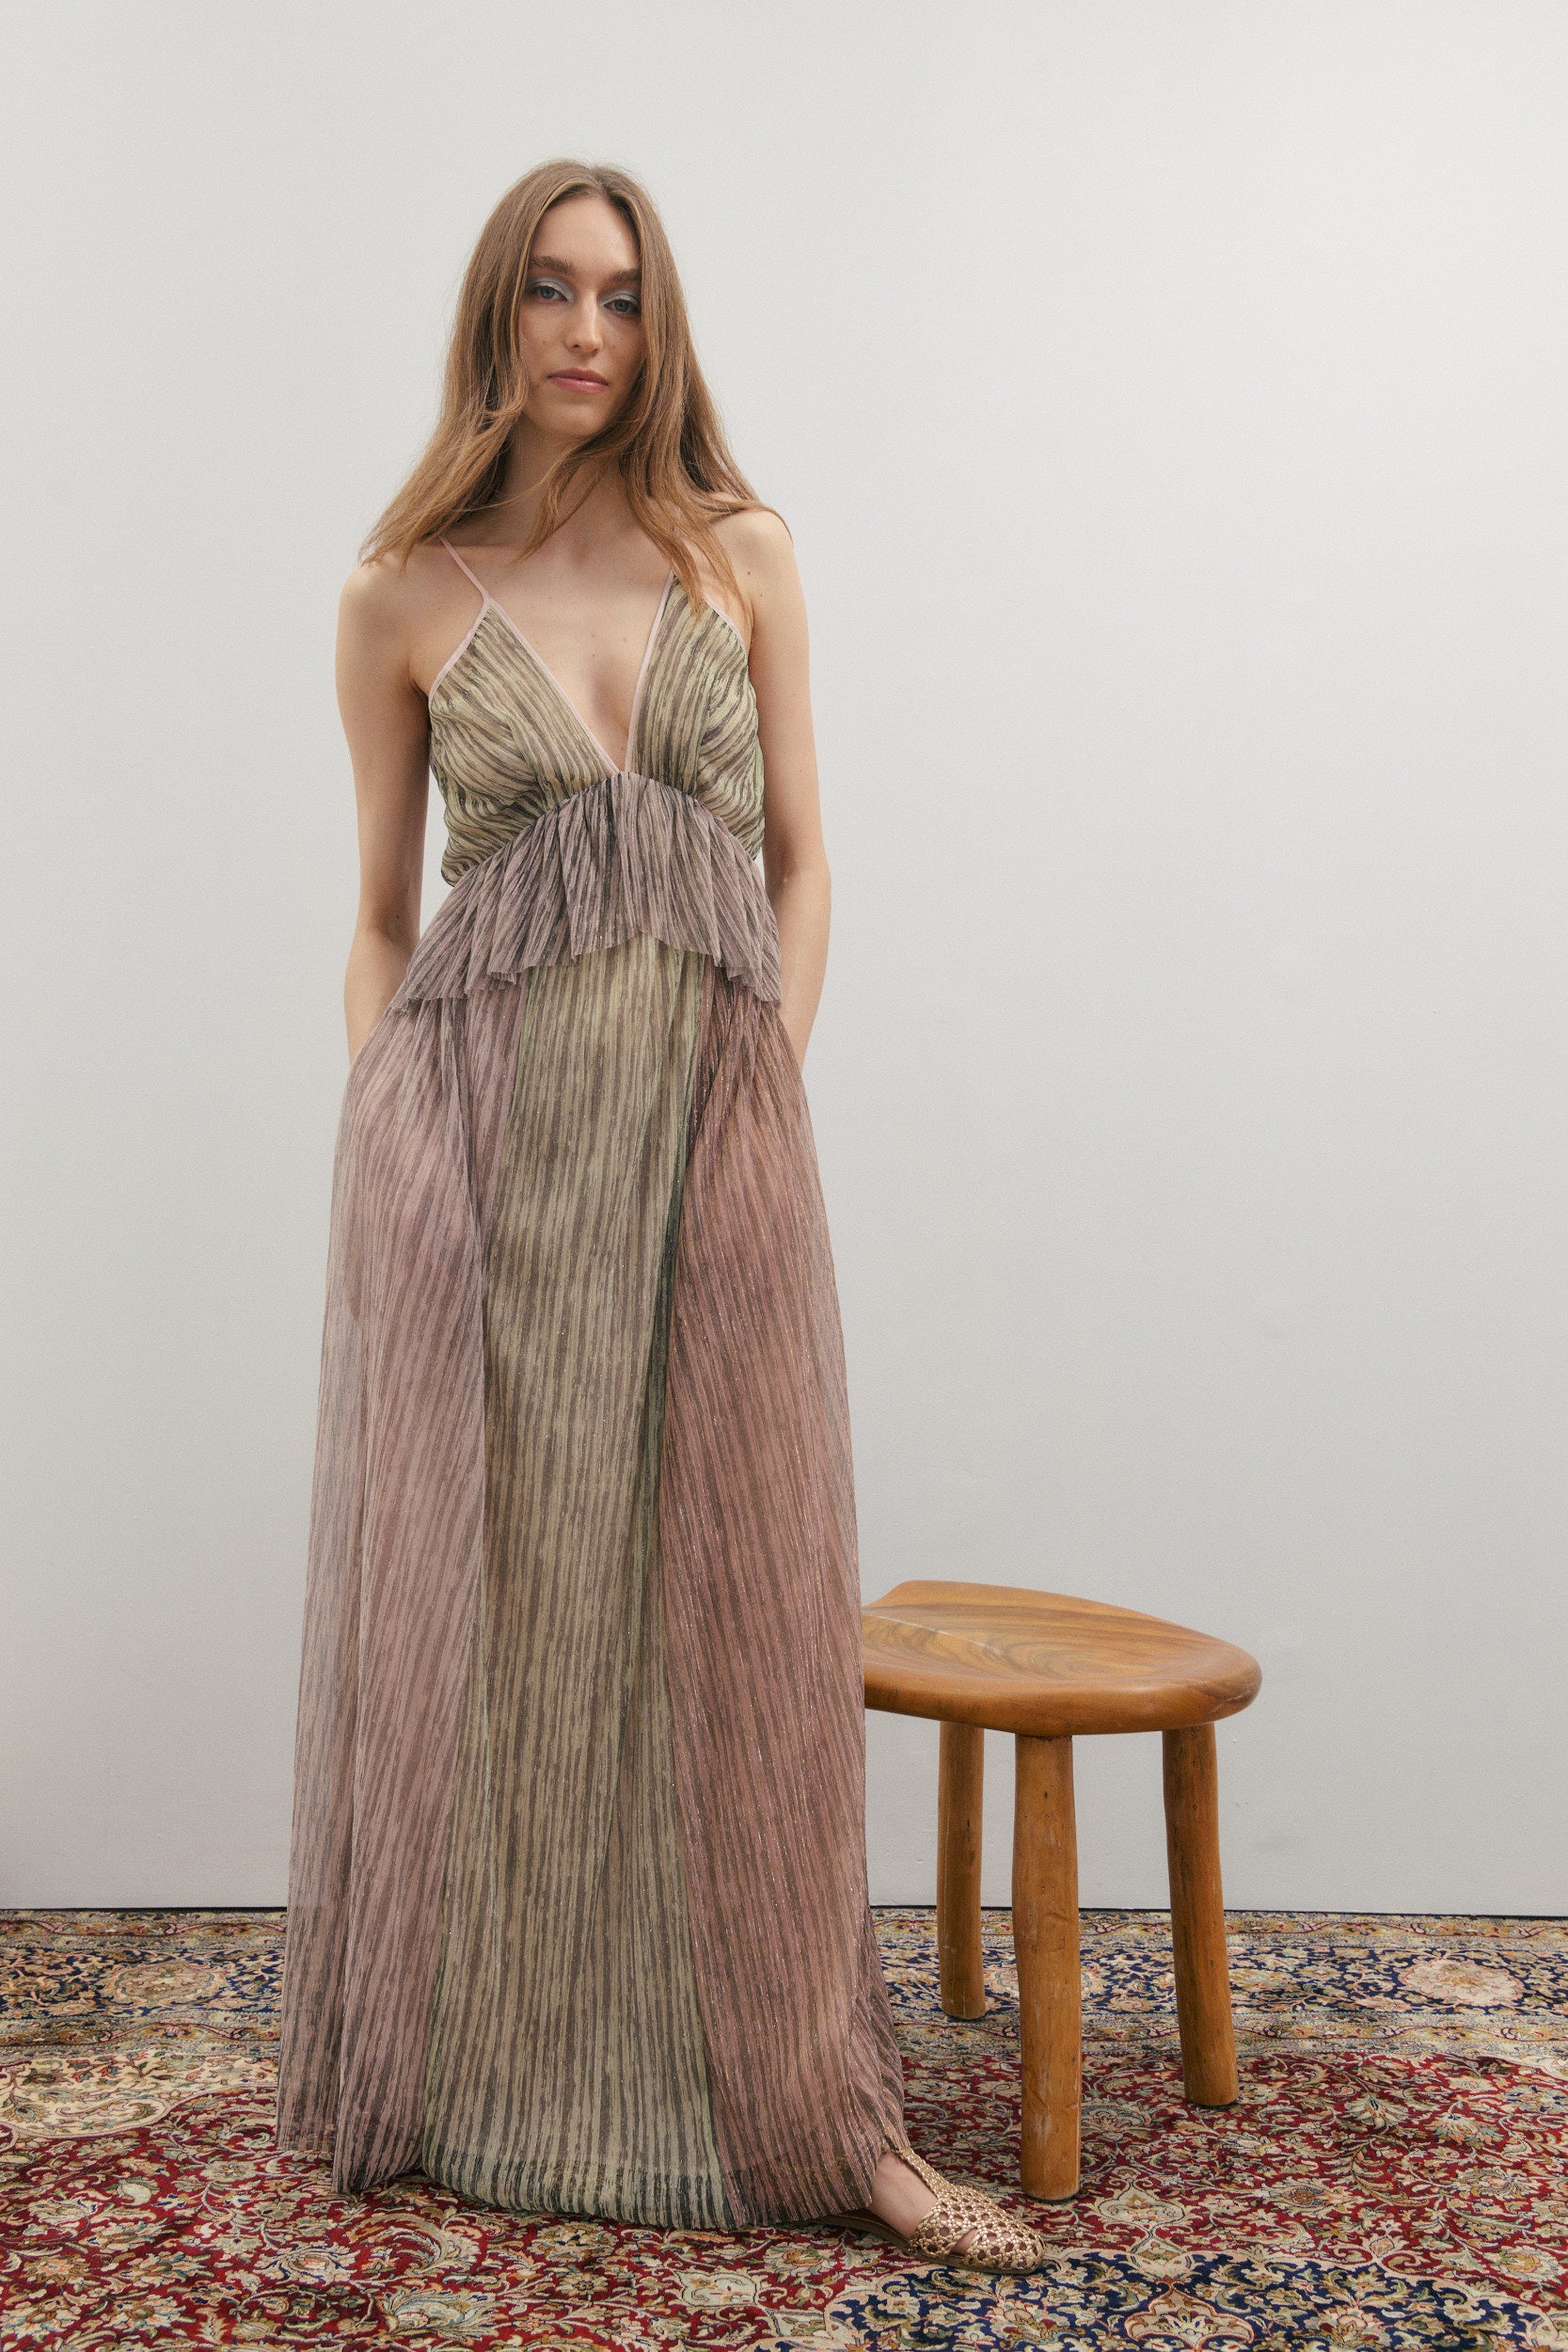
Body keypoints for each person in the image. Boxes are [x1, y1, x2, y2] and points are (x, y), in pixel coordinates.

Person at [272, 157, 1046, 2279]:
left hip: (714, 1135)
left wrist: (766, 1081)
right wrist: (387, 1126)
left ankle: (823, 2109)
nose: (588, 330)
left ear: (659, 315)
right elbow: (373, 921)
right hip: (481, 1153)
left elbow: (803, 861)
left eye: (621, 292)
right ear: (498, 314)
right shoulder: (402, 592)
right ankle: (490, 2078)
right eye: (550, 289)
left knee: (743, 1606)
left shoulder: (744, 555)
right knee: (511, 1615)